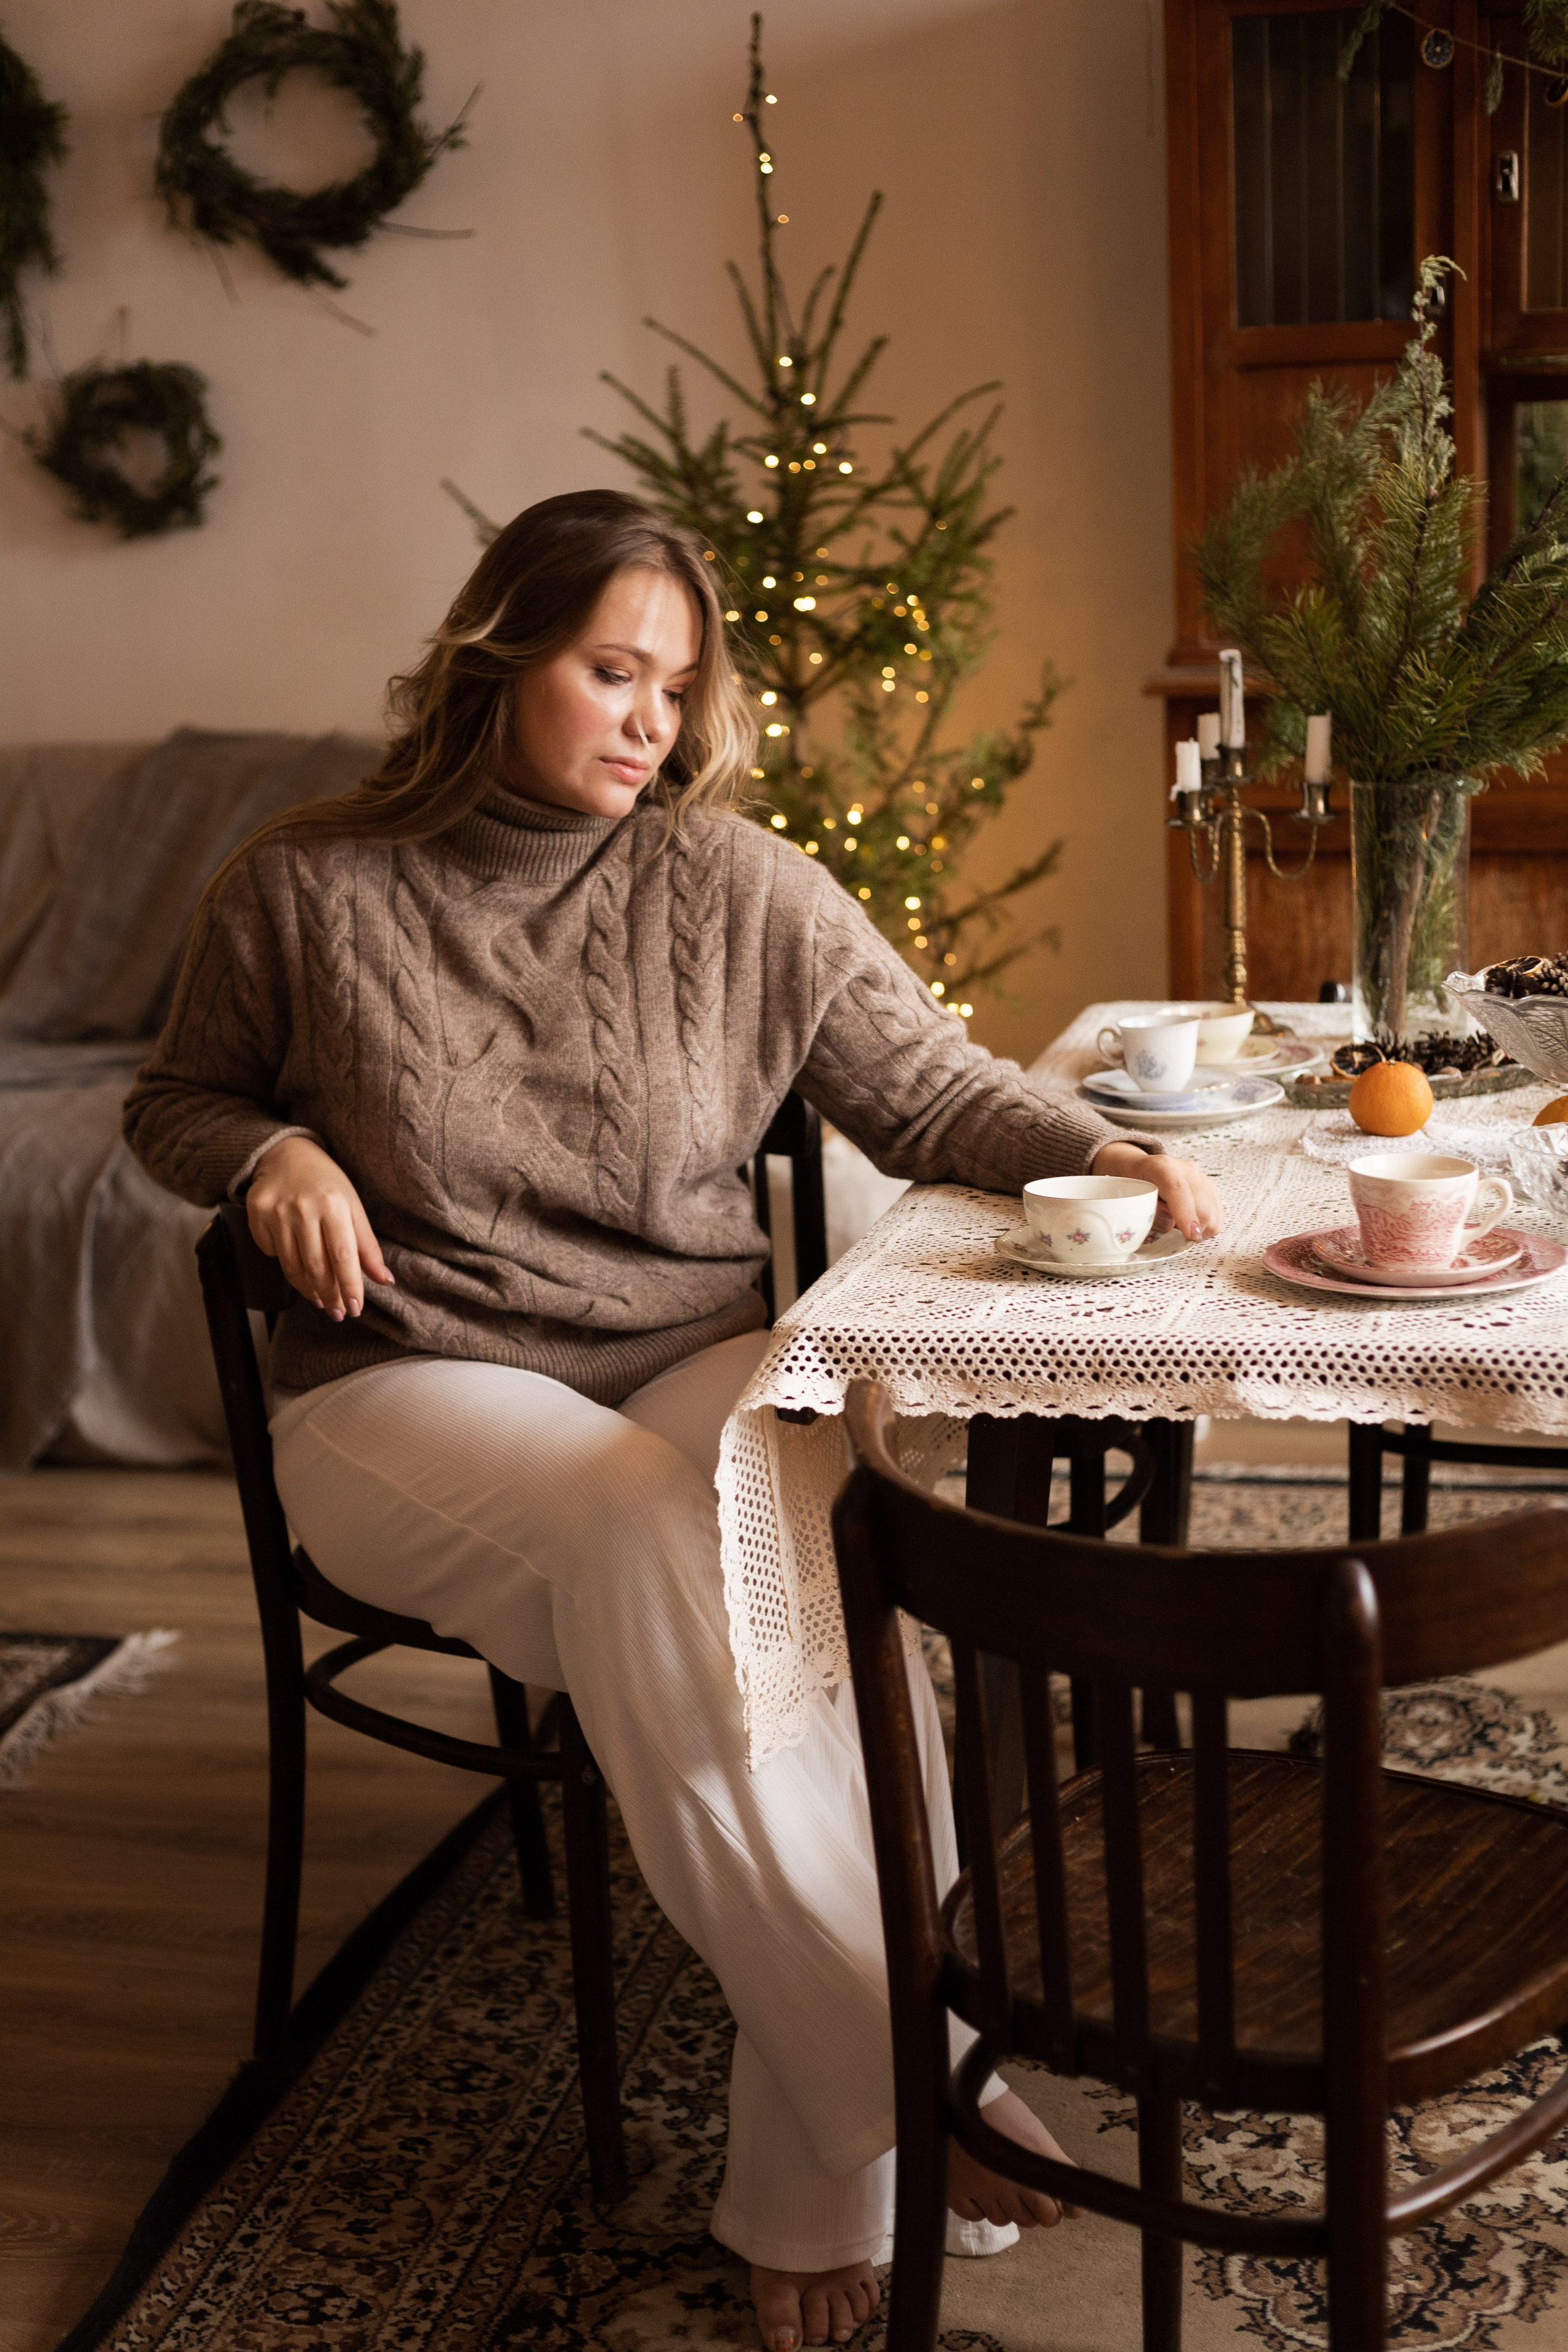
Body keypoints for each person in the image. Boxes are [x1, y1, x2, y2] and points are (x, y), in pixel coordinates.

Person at [124, 490, 1223, 2352]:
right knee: (657, 1538)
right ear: (497, 657)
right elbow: (175, 1102)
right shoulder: (304, 887)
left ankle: (816, 2173)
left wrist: (1102, 1150)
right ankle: (922, 2078)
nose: (651, 720)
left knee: (820, 1542)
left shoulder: (739, 888)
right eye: (609, 670)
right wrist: (272, 1150)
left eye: (674, 684)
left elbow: (935, 1092)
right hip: (410, 1383)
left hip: (687, 1349)